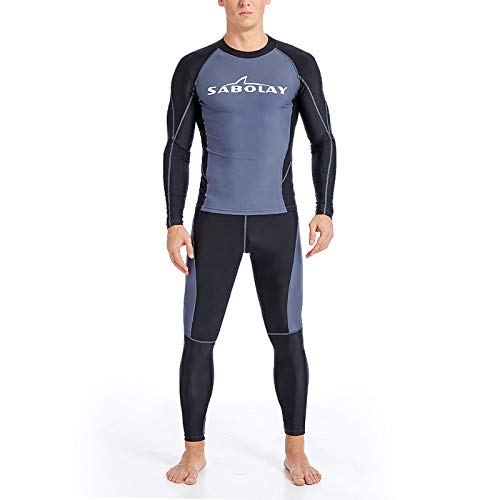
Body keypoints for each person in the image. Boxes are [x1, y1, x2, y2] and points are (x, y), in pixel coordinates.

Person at [163, 0, 336, 487]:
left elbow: (323, 139)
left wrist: (325, 208)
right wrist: (174, 221)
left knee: (288, 336)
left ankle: (295, 451)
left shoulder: (296, 64)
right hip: (213, 223)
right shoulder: (195, 66)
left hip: (276, 222)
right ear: (220, 0)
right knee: (198, 338)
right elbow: (177, 146)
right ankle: (193, 452)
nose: (244, 2)